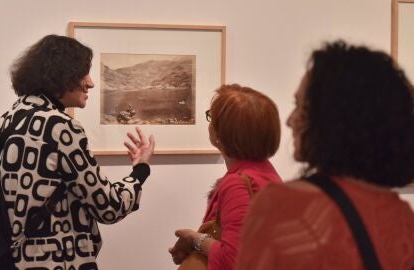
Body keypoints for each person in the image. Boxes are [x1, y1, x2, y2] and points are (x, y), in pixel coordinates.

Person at [235, 41, 414, 270]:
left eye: (301, 107)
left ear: (334, 122)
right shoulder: (403, 220)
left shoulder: (283, 206)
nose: (290, 120)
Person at [0, 34, 155, 269]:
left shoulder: (9, 119)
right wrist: (140, 170)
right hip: (56, 261)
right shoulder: (60, 127)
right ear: (62, 75)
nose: (91, 82)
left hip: (11, 260)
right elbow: (108, 206)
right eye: (83, 73)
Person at [169, 84, 282, 269]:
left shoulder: (238, 183)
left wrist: (195, 239)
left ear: (223, 133)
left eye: (212, 117)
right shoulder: (266, 173)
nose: (210, 123)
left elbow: (234, 259)